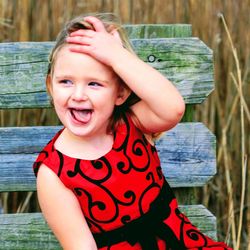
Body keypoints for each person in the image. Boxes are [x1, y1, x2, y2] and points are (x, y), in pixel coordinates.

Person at [33, 13, 232, 250]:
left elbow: (173, 109)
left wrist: (118, 57)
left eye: (94, 83)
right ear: (50, 86)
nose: (78, 95)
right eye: (66, 81)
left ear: (120, 93)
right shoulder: (54, 173)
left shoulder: (131, 123)